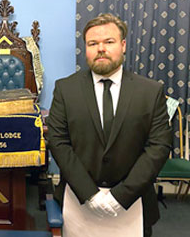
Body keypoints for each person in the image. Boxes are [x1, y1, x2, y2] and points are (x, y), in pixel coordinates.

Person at [46, 13, 172, 237]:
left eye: (109, 42)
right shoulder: (65, 89)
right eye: (92, 43)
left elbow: (158, 147)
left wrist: (121, 195)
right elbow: (58, 142)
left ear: (123, 45)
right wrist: (90, 194)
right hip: (78, 201)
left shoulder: (151, 92)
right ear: (85, 48)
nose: (100, 48)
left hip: (133, 204)